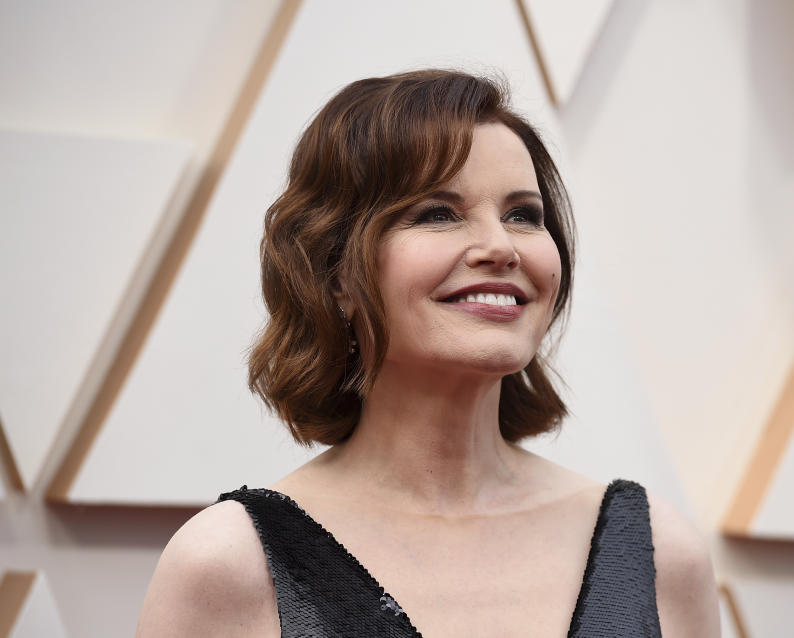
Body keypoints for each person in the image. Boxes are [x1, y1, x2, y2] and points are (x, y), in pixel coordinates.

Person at [136, 69, 720, 637]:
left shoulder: (658, 553)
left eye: (523, 215)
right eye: (438, 213)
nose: (500, 246)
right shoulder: (230, 567)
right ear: (335, 272)